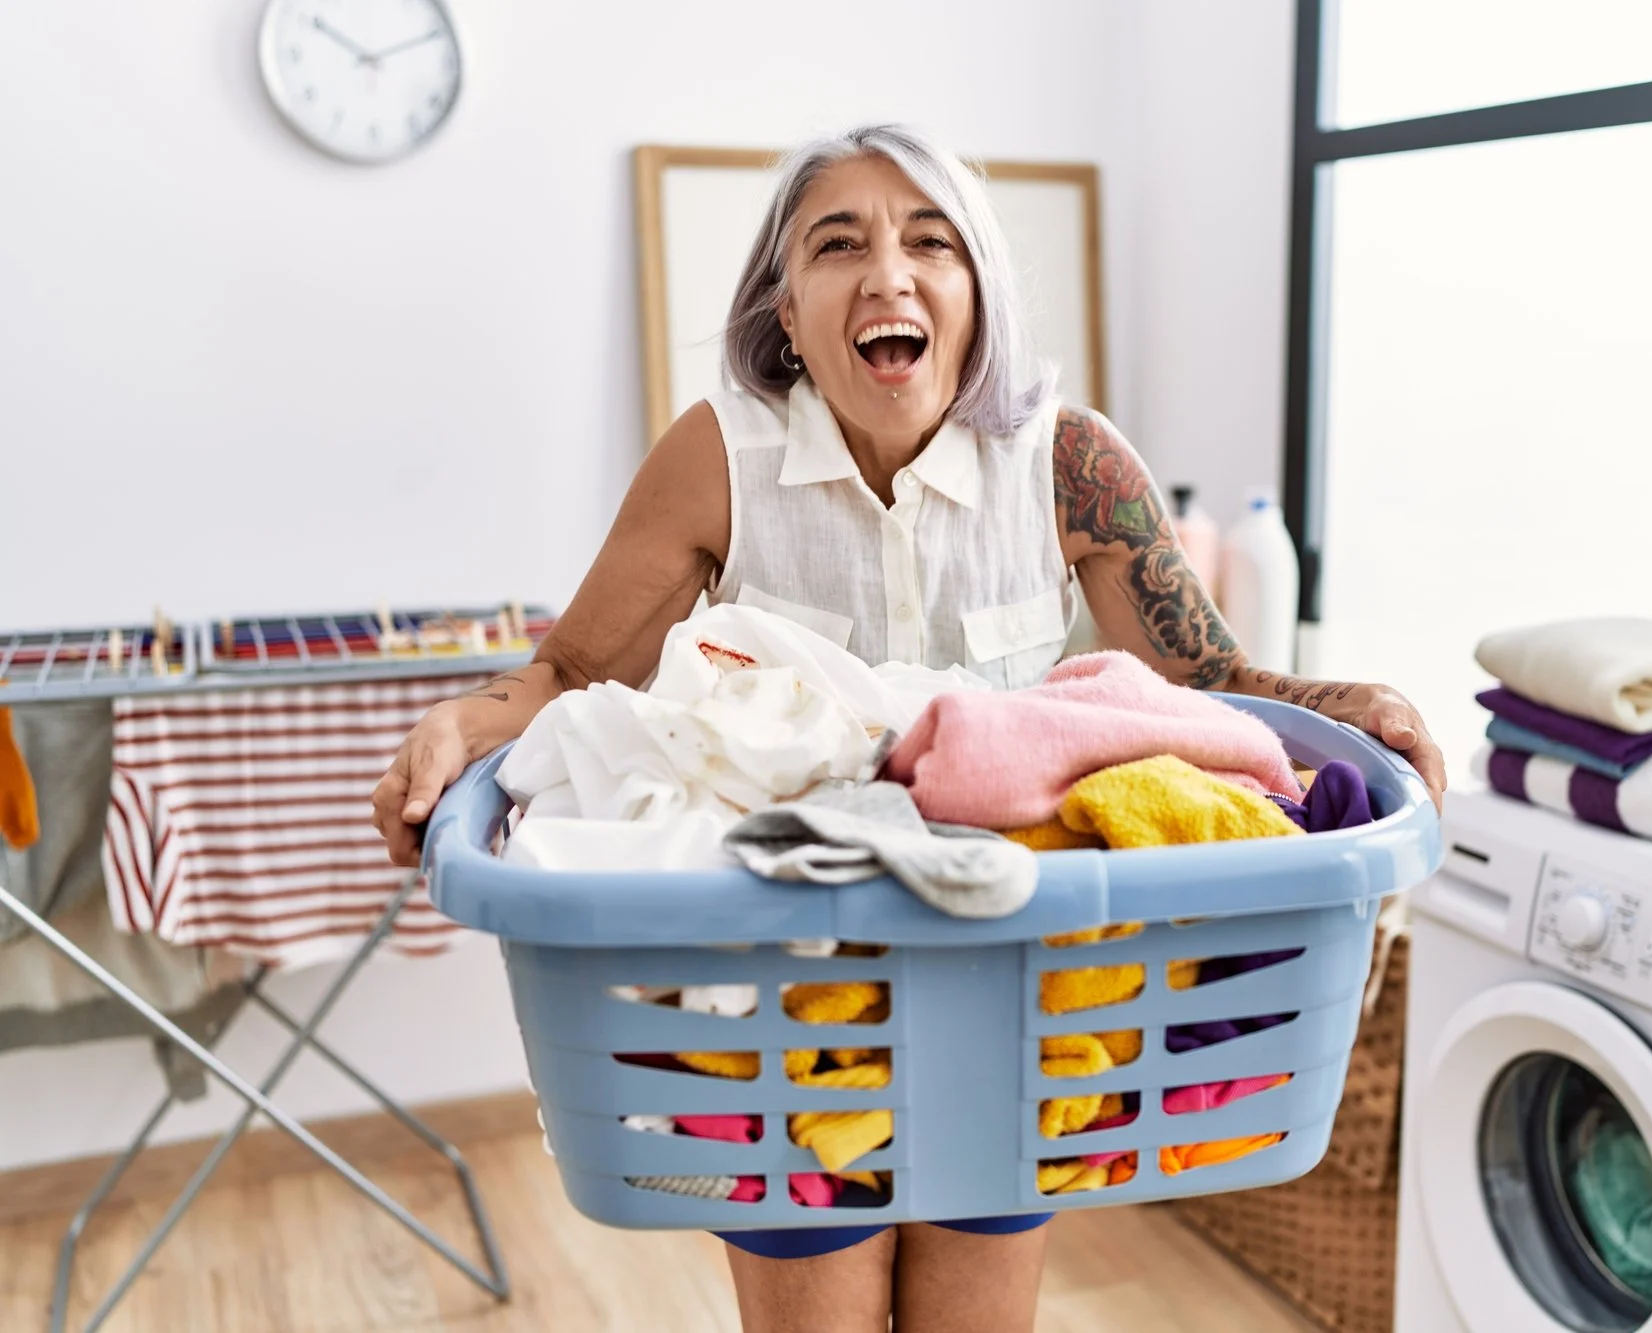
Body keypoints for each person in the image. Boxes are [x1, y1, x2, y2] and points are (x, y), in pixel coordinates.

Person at [371, 123, 1444, 1333]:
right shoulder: (719, 457)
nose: (889, 272)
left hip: (1012, 988)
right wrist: (462, 719)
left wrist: (1348, 705)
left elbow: (1207, 680)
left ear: (976, 289)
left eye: (930, 241)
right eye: (839, 244)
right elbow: (567, 673)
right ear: (785, 307)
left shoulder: (1067, 464)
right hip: (785, 993)